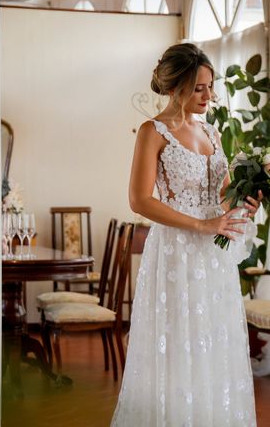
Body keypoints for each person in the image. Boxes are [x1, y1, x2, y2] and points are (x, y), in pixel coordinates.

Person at [111, 43, 260, 426]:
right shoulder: (153, 131)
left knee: (214, 342)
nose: (209, 96)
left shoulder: (211, 129)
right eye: (199, 88)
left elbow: (225, 193)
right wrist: (201, 225)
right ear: (175, 87)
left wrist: (245, 203)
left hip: (214, 257)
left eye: (210, 87)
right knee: (178, 343)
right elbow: (139, 200)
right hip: (177, 252)